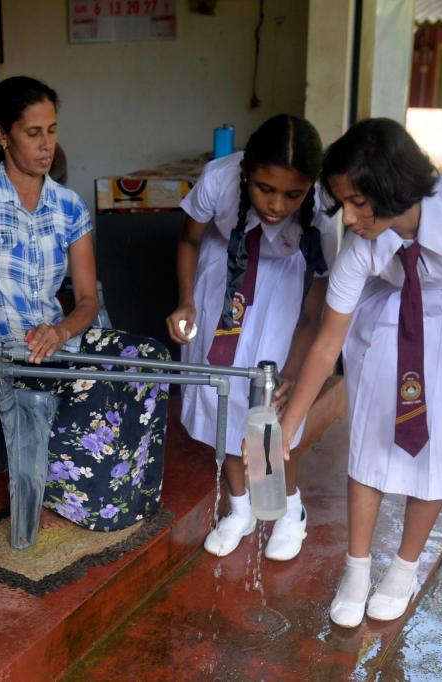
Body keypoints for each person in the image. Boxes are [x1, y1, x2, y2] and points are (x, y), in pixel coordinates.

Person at [277, 118, 442, 628]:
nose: (350, 217)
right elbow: (328, 338)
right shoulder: (363, 247)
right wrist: (293, 420)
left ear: (393, 185)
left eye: (359, 202)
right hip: (397, 310)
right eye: (342, 204)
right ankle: (356, 570)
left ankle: (404, 567)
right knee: (372, 435)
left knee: (437, 442)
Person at [0, 76, 168, 532]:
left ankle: (134, 493)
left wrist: (63, 331)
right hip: (10, 347)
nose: (47, 144)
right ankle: (89, 502)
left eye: (52, 130)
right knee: (95, 384)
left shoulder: (69, 207)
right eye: (33, 133)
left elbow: (88, 299)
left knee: (152, 359)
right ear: (2, 134)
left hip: (58, 339)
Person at [166, 114, 338, 561]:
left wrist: (295, 371)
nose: (278, 205)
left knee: (270, 407)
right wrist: (186, 301)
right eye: (265, 189)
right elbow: (188, 241)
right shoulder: (218, 180)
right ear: (245, 174)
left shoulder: (323, 206)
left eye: (291, 194)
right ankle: (240, 508)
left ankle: (288, 510)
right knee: (219, 396)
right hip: (221, 280)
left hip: (284, 292)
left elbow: (313, 311)